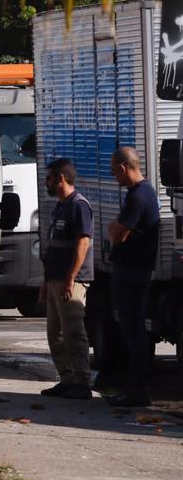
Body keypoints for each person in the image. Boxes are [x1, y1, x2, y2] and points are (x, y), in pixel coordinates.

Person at [106, 146, 160, 407]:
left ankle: (137, 389)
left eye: (114, 171)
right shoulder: (141, 193)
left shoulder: (139, 196)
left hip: (133, 272)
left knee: (133, 330)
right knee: (132, 329)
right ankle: (134, 386)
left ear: (123, 168)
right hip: (133, 270)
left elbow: (119, 232)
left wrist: (115, 227)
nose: (114, 176)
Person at [40, 158, 94, 400]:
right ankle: (67, 378)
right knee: (55, 334)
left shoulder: (78, 206)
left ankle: (81, 382)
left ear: (61, 178)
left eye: (49, 178)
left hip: (70, 281)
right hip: (54, 279)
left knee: (73, 332)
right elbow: (54, 247)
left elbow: (83, 243)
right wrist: (45, 281)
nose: (46, 183)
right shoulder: (60, 206)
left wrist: (71, 278)